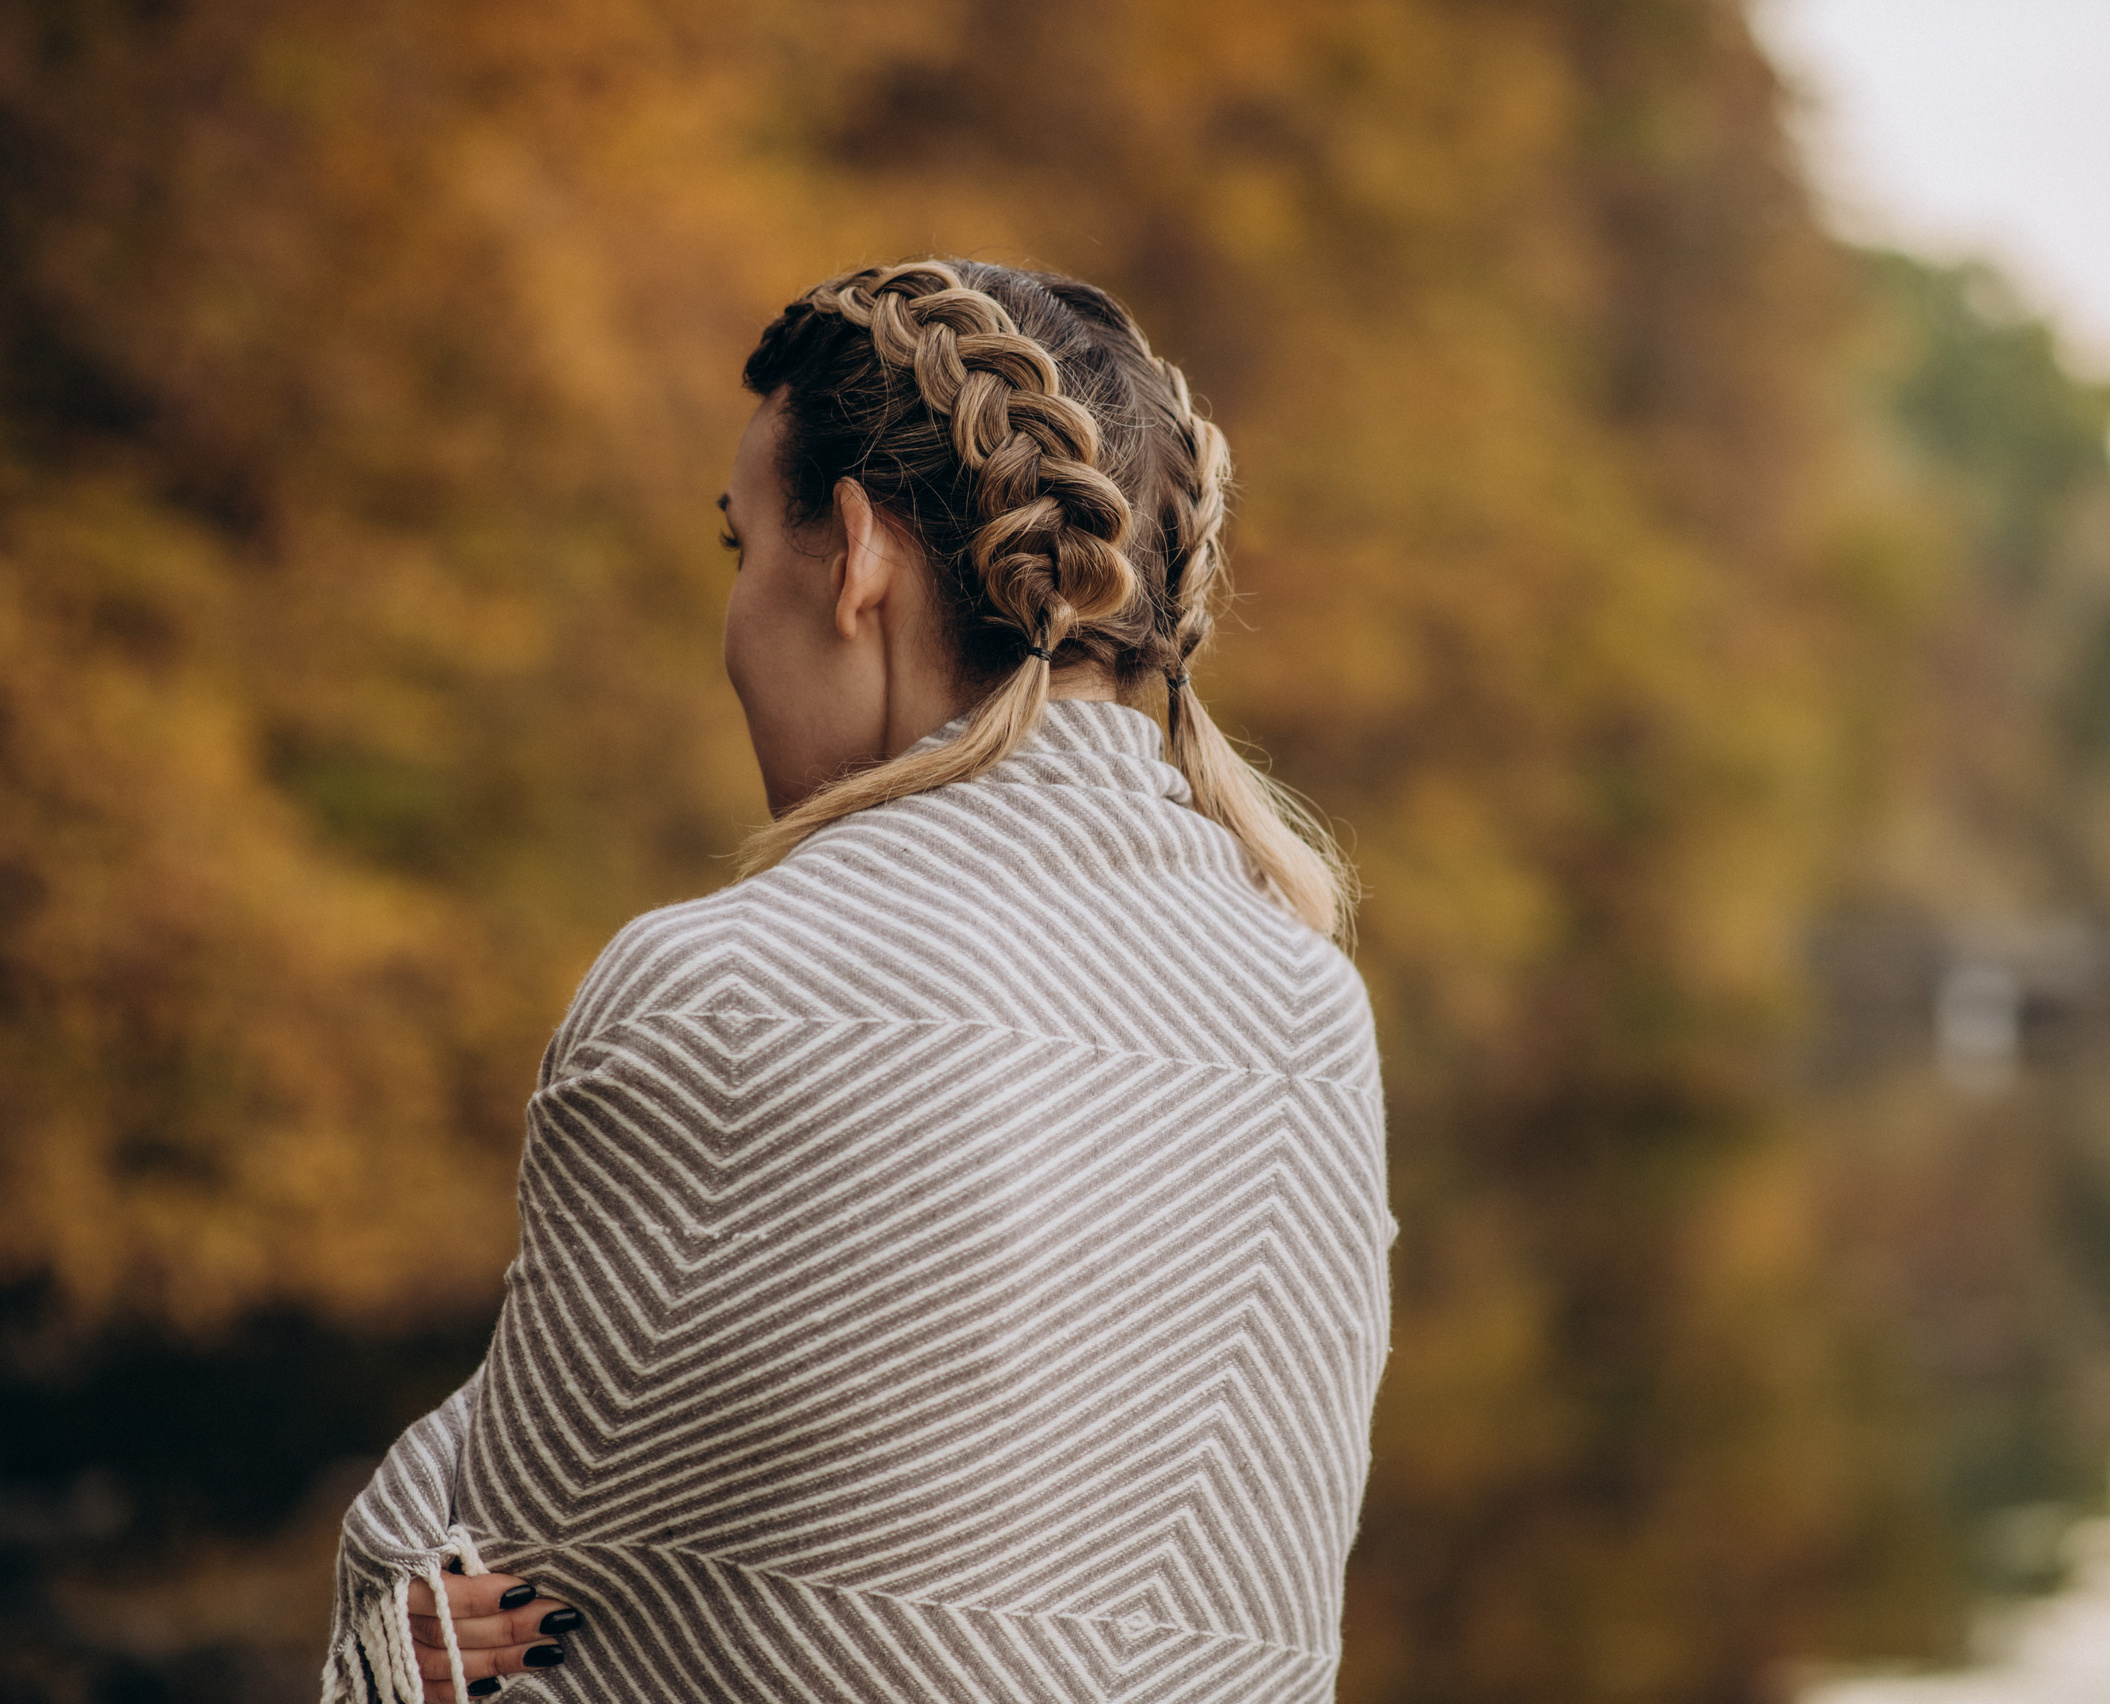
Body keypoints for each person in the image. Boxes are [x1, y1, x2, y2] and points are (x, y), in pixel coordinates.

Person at [324, 261, 1392, 1704]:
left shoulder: (723, 990)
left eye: (741, 544)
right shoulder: (1305, 1007)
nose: (735, 617)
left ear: (857, 553)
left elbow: (493, 1607)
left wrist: (392, 1599)